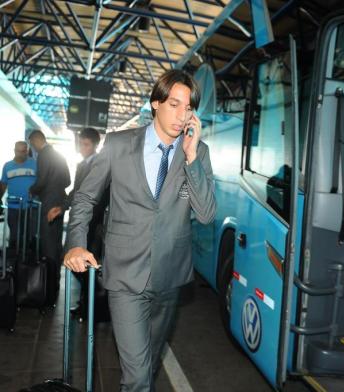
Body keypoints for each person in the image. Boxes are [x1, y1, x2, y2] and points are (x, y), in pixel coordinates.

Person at [64, 69, 216, 391]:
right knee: (137, 376)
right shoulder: (119, 145)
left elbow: (205, 214)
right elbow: (85, 197)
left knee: (147, 365)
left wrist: (191, 159)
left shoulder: (197, 153)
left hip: (170, 276)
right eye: (174, 104)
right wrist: (75, 243)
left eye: (188, 108)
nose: (181, 114)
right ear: (155, 103)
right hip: (125, 275)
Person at [48, 127, 109, 318]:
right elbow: (77, 191)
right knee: (77, 264)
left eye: (86, 144)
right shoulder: (83, 165)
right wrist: (62, 207)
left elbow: (101, 196)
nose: (82, 147)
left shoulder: (102, 164)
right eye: (81, 143)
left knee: (86, 265)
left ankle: (95, 306)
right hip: (82, 222)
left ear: (95, 145)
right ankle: (88, 304)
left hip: (95, 222)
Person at [29, 130, 71, 296]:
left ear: (36, 141)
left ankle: (49, 285)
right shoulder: (58, 155)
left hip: (48, 203)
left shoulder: (44, 155)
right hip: (59, 200)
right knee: (55, 240)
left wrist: (32, 189)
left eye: (32, 144)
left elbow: (42, 180)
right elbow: (67, 180)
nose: (33, 148)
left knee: (48, 243)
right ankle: (54, 281)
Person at [0, 141, 36, 250]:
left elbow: (41, 182)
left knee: (28, 235)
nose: (20, 154)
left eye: (23, 151)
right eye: (18, 151)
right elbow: (3, 185)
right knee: (14, 235)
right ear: (14, 151)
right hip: (13, 207)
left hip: (30, 207)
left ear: (27, 151)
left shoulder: (34, 164)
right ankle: (13, 260)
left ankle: (27, 260)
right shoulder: (7, 166)